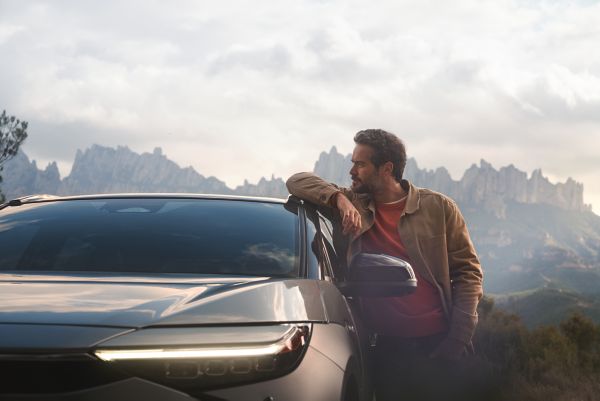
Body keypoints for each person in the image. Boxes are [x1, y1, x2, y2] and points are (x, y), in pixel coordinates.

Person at [286, 129, 483, 401]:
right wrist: (339, 200)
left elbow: (469, 273)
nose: (352, 170)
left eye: (360, 164)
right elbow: (296, 181)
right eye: (352, 162)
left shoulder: (439, 208)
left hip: (439, 341)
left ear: (386, 168)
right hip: (384, 346)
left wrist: (457, 339)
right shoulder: (354, 202)